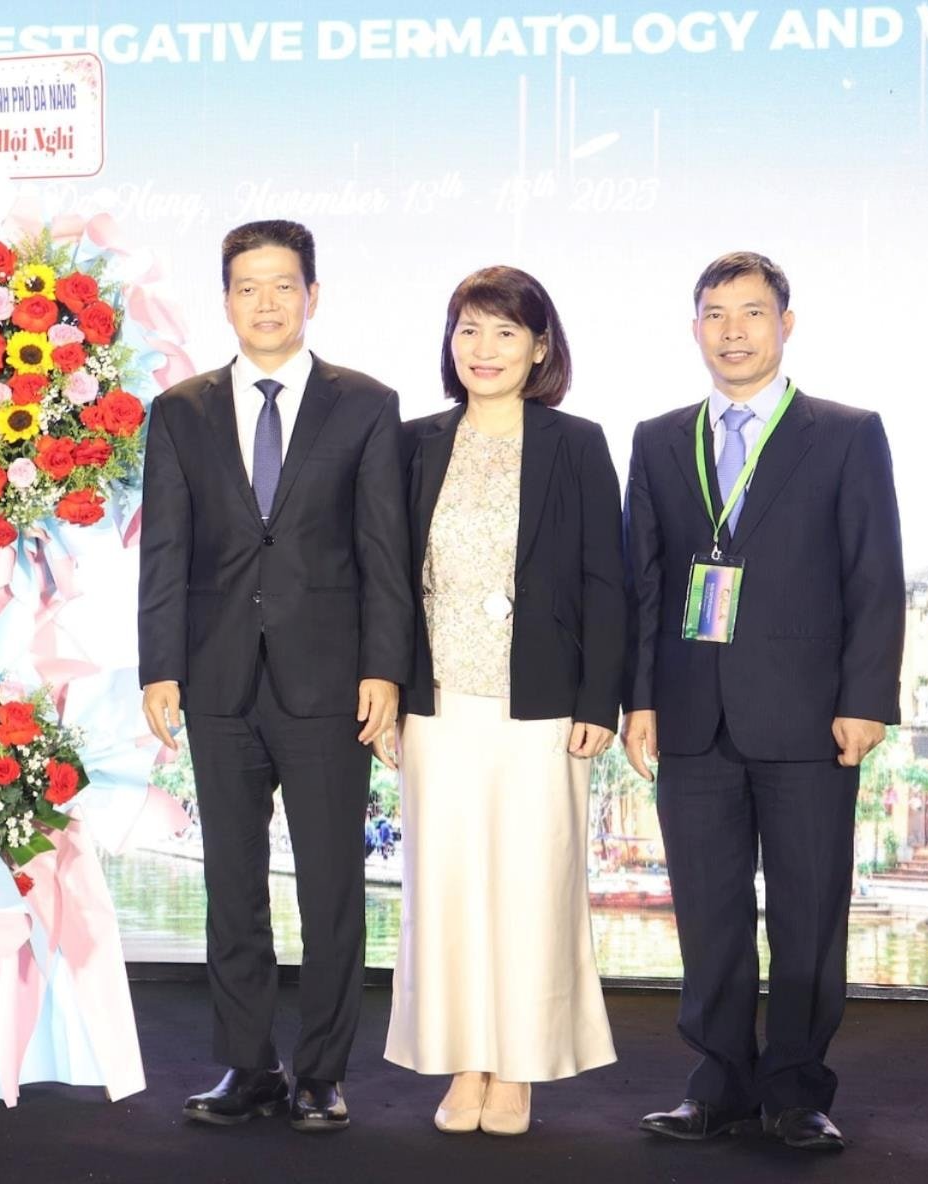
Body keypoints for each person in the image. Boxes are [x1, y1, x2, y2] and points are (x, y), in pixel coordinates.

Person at [624, 251, 904, 1152]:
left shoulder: (845, 432)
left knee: (806, 913)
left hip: (810, 717)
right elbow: (645, 582)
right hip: (691, 716)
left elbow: (873, 578)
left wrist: (865, 700)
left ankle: (794, 1089)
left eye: (752, 313)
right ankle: (718, 1083)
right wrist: (638, 702)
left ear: (787, 324)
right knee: (705, 912)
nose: (733, 331)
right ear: (694, 327)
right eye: (715, 314)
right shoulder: (658, 438)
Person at [138, 220, 412, 1133]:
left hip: (330, 684)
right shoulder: (178, 409)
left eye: (283, 286)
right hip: (216, 682)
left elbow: (383, 551)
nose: (265, 303)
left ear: (313, 296)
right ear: (224, 301)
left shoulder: (365, 405)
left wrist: (384, 670)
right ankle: (247, 1067)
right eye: (247, 287)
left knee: (332, 886)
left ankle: (322, 1073)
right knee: (232, 885)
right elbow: (165, 551)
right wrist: (158, 669)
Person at [383, 266, 622, 1135]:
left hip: (544, 707)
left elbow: (606, 579)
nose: (483, 350)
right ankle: (465, 1063)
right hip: (436, 704)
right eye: (467, 331)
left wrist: (604, 698)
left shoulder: (577, 443)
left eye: (504, 333)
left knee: (531, 887)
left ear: (540, 347)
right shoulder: (411, 443)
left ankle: (517, 1066)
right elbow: (388, 581)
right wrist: (387, 692)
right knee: (444, 890)